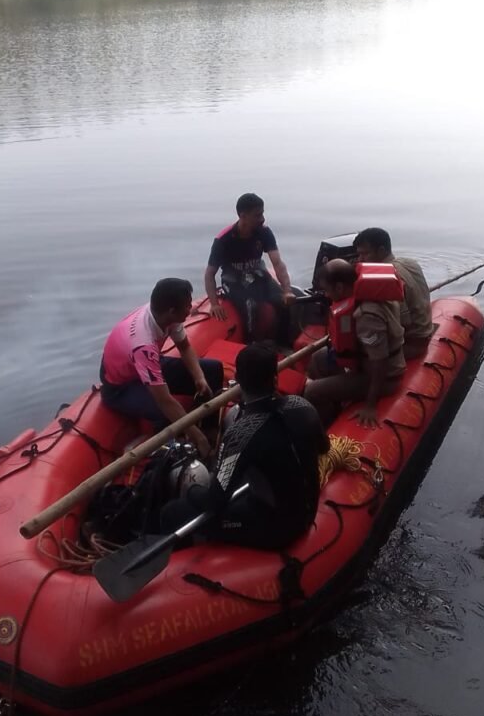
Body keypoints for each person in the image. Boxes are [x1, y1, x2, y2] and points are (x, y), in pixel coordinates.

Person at [159, 344, 329, 550]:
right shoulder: (302, 406)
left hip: (276, 529)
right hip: (306, 510)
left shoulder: (240, 433)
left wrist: (191, 490)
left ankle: (182, 566)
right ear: (275, 377)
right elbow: (323, 448)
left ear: (238, 379)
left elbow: (214, 501)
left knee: (172, 512)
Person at [100, 278, 223, 459]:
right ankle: (172, 455)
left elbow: (185, 347)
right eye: (187, 307)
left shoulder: (166, 316)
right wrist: (198, 438)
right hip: (122, 385)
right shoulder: (143, 343)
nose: (191, 310)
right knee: (163, 413)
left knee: (212, 370)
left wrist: (199, 377)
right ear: (172, 311)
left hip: (147, 363)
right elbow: (164, 401)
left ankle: (211, 430)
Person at [304, 258, 405, 428]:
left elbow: (380, 362)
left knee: (311, 391)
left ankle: (326, 431)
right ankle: (335, 404)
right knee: (316, 359)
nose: (326, 295)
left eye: (327, 290)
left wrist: (370, 405)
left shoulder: (366, 316)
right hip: (362, 363)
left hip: (383, 378)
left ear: (339, 287)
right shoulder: (365, 294)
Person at [204, 193, 295, 346]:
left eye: (263, 213)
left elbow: (278, 263)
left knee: (283, 302)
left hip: (257, 273)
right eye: (257, 215)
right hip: (233, 279)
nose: (262, 219)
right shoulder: (223, 240)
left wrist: (286, 290)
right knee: (251, 305)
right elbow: (209, 274)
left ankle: (282, 344)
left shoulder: (264, 232)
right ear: (243, 215)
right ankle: (250, 345)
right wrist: (214, 304)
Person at [353, 227, 433, 359]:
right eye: (359, 254)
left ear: (381, 250)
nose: (359, 260)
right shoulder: (410, 263)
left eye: (365, 254)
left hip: (411, 343)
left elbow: (402, 323)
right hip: (424, 332)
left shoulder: (385, 281)